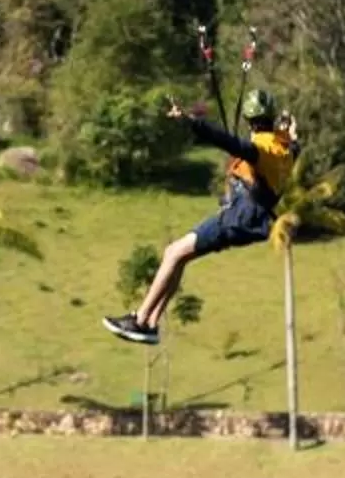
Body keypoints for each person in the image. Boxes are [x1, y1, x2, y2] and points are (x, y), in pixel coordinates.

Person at [103, 90, 298, 346]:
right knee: (179, 257)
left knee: (173, 253)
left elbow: (224, 140)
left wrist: (189, 121)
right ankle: (150, 323)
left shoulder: (260, 148)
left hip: (239, 217)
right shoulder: (286, 150)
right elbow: (294, 143)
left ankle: (140, 320)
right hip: (250, 220)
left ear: (250, 122)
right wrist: (291, 132)